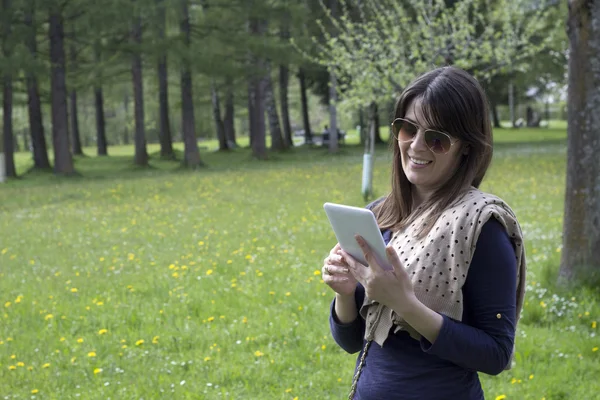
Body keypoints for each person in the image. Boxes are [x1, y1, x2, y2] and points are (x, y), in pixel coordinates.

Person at [321, 66, 527, 400]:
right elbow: (352, 342)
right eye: (408, 129)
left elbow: (495, 353)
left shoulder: (481, 225)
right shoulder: (380, 214)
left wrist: (403, 303)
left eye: (437, 138)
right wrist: (344, 293)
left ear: (466, 147)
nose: (417, 146)